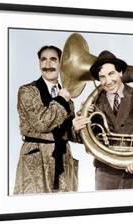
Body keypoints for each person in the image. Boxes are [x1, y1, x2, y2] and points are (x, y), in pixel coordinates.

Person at [73, 50, 133, 190]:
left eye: (111, 74)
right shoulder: (94, 103)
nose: (108, 81)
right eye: (102, 77)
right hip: (105, 172)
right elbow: (88, 138)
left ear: (120, 73)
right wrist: (78, 128)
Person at [14, 45, 79, 194]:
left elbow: (71, 135)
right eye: (43, 60)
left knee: (63, 211)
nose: (47, 64)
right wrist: (62, 100)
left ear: (61, 64)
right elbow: (41, 122)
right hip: (36, 161)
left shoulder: (67, 96)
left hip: (62, 160)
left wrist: (78, 125)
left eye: (53, 60)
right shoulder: (27, 91)